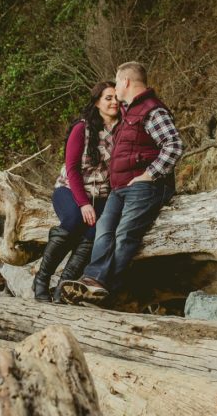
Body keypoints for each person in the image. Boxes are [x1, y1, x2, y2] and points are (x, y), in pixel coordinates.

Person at [61, 61, 184, 306]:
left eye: (117, 82)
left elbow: (174, 145)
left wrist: (150, 174)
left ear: (126, 82)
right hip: (121, 188)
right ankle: (93, 282)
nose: (115, 88)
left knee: (125, 235)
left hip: (145, 187)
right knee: (104, 231)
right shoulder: (129, 112)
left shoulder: (152, 110)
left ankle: (104, 288)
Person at [32, 81, 119, 302]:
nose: (114, 102)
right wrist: (83, 203)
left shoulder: (123, 130)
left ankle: (64, 286)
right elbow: (71, 168)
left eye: (116, 97)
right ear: (97, 101)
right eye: (108, 97)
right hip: (71, 189)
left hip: (102, 194)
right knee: (73, 220)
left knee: (94, 233)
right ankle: (42, 279)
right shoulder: (83, 128)